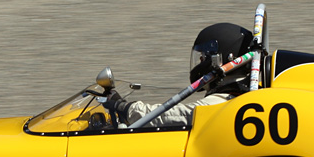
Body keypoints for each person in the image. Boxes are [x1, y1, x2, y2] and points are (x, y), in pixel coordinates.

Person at [104, 22, 256, 127]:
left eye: (205, 56)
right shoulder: (242, 94)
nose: (201, 60)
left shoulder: (222, 102)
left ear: (222, 59)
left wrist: (126, 109)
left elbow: (174, 116)